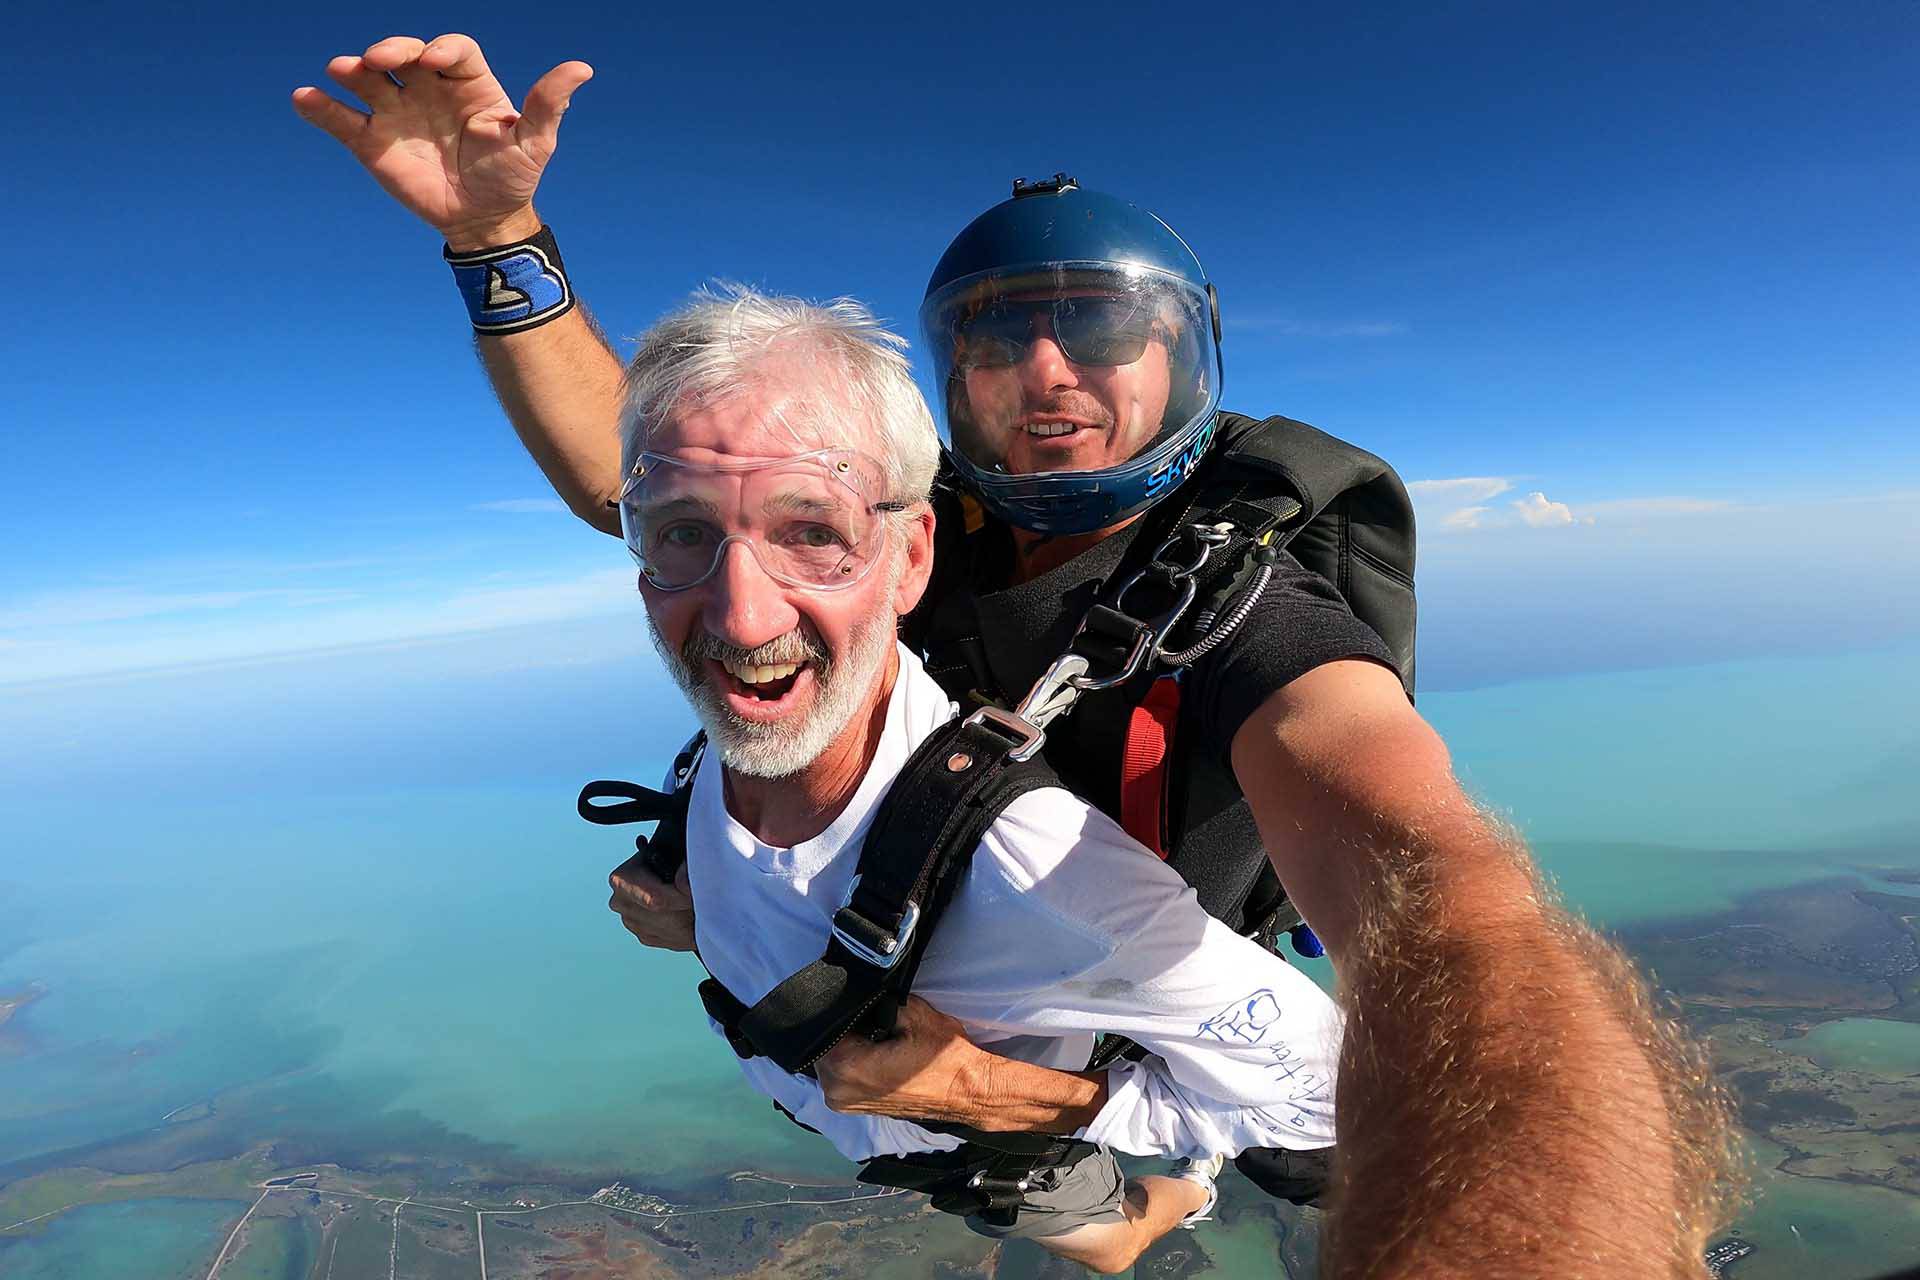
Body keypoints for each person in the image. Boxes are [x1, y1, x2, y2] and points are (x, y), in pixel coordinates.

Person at [296, 35, 1739, 1278]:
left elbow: (1444, 888)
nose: (1049, 370)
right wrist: (498, 246)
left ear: (1184, 357)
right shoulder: (900, 528)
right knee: (1083, 1215)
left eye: (1099, 330)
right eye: (1001, 338)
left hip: (1203, 1023)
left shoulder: (1250, 609)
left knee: (1315, 1176)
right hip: (997, 1004)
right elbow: (649, 472)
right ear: (951, 382)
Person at [579, 283, 1345, 1271]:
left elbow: (1330, 1094)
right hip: (893, 1138)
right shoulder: (740, 746)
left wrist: (977, 1093)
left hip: (993, 1145)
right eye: (682, 528)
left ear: (908, 559)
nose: (741, 615)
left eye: (811, 529)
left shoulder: (1039, 872)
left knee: (1108, 1236)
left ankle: (1175, 1199)